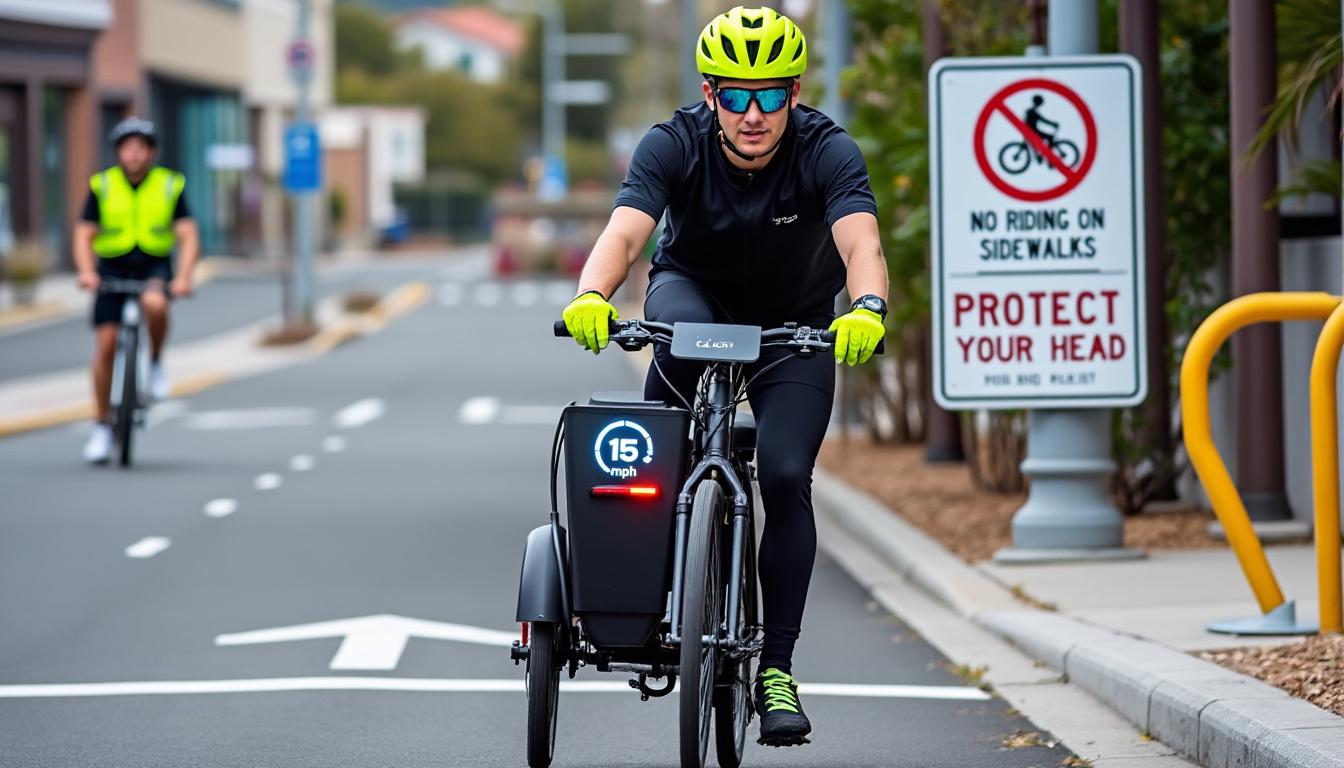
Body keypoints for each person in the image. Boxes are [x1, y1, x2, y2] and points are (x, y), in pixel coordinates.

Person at [560, 5, 887, 748]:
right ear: (709, 95)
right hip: (692, 298)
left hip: (792, 324)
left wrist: (867, 305)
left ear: (794, 95)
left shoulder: (828, 150)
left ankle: (775, 669)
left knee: (781, 471)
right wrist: (590, 294)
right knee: (655, 456)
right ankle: (646, 601)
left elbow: (860, 240)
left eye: (769, 94)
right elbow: (626, 230)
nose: (752, 113)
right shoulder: (672, 143)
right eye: (734, 95)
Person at [73, 117, 199, 464]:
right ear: (117, 152)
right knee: (106, 345)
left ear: (152, 152)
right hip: (111, 268)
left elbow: (188, 236)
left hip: (153, 264)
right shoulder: (102, 185)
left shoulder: (169, 184)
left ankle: (155, 362)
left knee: (156, 304)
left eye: (141, 147)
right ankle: (101, 426)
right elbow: (84, 234)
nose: (134, 154)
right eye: (127, 147)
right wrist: (86, 273)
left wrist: (184, 276)